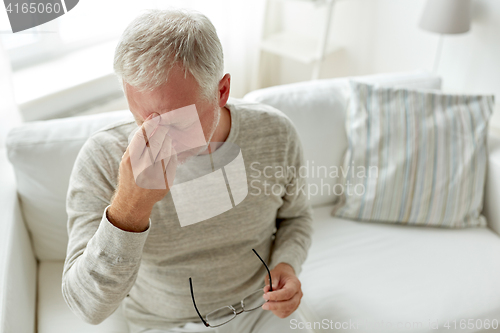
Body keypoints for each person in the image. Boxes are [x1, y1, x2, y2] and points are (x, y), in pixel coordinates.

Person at [62, 8, 313, 333]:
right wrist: (129, 209)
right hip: (164, 324)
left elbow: (297, 217)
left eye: (176, 122)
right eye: (141, 119)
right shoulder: (102, 158)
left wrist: (287, 264)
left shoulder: (275, 134)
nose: (154, 138)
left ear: (221, 91)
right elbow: (87, 307)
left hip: (258, 310)